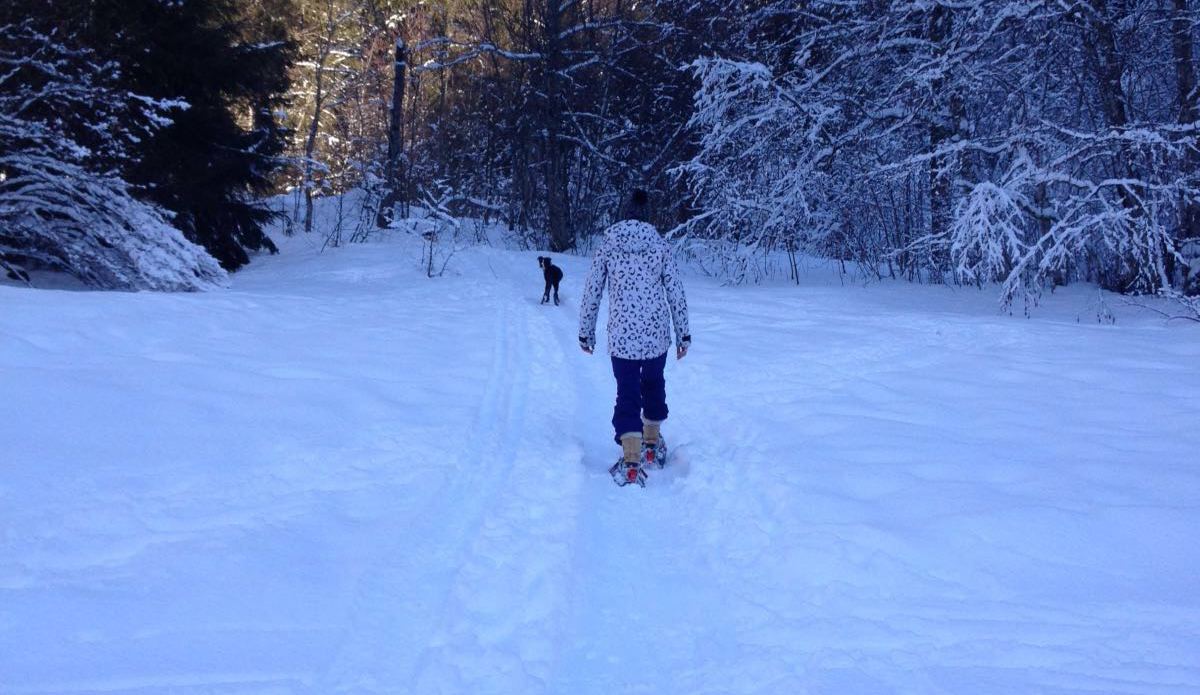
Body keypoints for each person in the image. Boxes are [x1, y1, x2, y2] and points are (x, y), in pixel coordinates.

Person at [579, 189, 691, 482]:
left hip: (621, 339)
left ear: (625, 213)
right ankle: (651, 443)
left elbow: (593, 290)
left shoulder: (608, 245)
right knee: (654, 384)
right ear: (646, 215)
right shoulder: (660, 246)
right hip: (655, 337)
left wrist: (585, 332)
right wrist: (683, 335)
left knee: (627, 392)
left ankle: (631, 459)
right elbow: (675, 292)